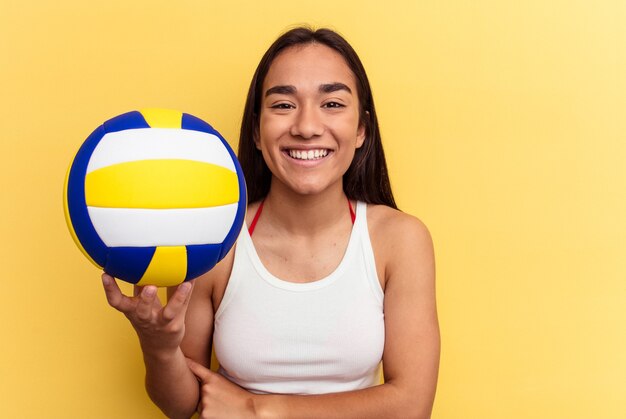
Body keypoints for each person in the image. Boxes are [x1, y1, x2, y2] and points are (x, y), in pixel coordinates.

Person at [102, 26, 440, 419]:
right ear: (257, 132)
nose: (307, 126)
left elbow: (412, 406)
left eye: (332, 104)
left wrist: (261, 409)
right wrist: (158, 346)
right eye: (283, 105)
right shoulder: (215, 239)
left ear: (362, 129)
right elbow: (186, 404)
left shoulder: (399, 240)